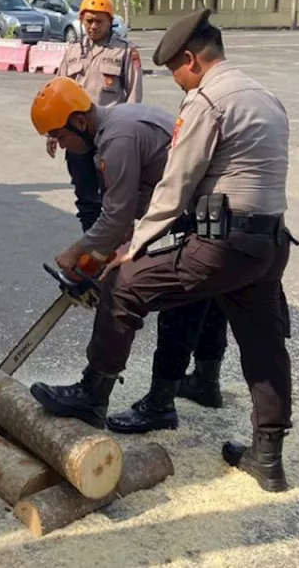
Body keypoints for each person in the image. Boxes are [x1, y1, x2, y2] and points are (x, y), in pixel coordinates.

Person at [30, 8, 297, 493]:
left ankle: (93, 394)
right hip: (270, 240)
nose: (176, 81)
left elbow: (175, 186)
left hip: (222, 240)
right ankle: (268, 457)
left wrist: (134, 248)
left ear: (191, 60)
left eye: (176, 70)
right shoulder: (264, 94)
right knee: (263, 344)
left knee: (123, 287)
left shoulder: (206, 100)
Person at [30, 77, 188, 433]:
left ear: (80, 122)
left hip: (194, 218)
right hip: (190, 211)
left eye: (61, 135)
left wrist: (78, 251)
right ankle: (202, 381)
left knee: (123, 289)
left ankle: (93, 394)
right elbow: (138, 201)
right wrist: (115, 245)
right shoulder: (117, 123)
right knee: (194, 305)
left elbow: (116, 215)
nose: (61, 145)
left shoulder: (116, 139)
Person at [50, 0, 142, 231]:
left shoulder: (125, 52)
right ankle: (89, 248)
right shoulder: (72, 52)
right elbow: (57, 93)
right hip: (76, 137)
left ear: (110, 21)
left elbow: (134, 97)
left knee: (113, 199)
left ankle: (114, 251)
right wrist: (54, 132)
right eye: (89, 21)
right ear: (81, 19)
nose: (93, 26)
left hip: (109, 137)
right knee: (86, 199)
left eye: (99, 21)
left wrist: (129, 137)